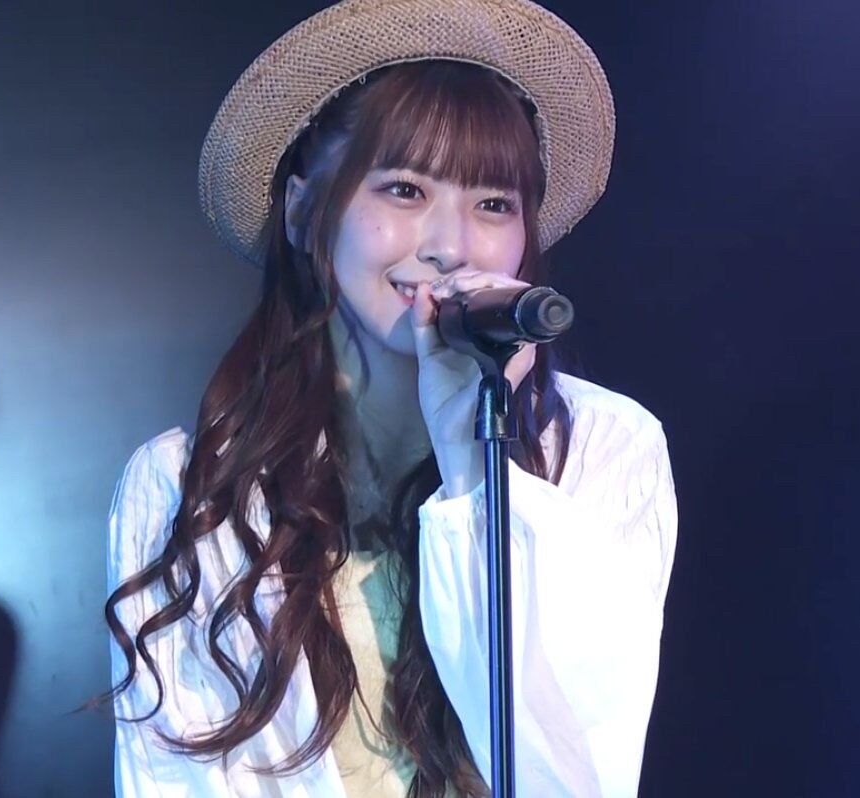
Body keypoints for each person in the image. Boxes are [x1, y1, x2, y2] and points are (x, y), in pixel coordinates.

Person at [94, 1, 678, 796]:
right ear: (303, 210)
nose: (451, 245)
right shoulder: (184, 486)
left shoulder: (604, 446)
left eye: (494, 204)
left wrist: (476, 469)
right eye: (405, 190)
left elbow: (571, 779)